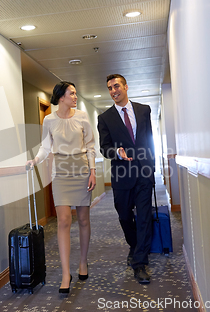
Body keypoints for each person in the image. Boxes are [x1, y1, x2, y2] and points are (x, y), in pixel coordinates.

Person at [26, 81, 96, 294]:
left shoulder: (82, 116)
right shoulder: (49, 120)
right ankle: (66, 273)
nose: (75, 96)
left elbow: (91, 145)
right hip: (61, 173)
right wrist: (35, 160)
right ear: (61, 97)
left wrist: (93, 171)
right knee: (64, 220)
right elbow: (46, 146)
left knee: (83, 219)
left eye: (75, 93)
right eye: (71, 93)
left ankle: (82, 262)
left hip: (82, 170)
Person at [97, 74, 155, 284]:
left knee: (145, 217)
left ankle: (140, 262)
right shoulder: (105, 118)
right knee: (124, 216)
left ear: (126, 87)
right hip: (122, 175)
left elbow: (149, 139)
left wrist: (152, 167)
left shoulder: (143, 110)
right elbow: (104, 148)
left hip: (144, 173)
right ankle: (134, 245)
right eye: (110, 88)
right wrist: (116, 152)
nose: (113, 91)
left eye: (116, 86)